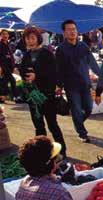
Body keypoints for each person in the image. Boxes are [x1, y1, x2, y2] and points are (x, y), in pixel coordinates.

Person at [20, 27, 67, 157]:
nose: (29, 41)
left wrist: (37, 76)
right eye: (27, 38)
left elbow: (53, 73)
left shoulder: (46, 53)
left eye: (32, 38)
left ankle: (62, 151)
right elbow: (23, 70)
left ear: (38, 39)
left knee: (52, 124)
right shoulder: (26, 55)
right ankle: (42, 152)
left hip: (47, 95)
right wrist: (24, 77)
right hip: (33, 97)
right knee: (38, 126)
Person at [56, 20, 100, 143]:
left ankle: (77, 122)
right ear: (64, 33)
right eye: (69, 29)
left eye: (74, 29)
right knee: (76, 109)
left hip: (85, 83)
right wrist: (59, 85)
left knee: (89, 108)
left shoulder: (83, 46)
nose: (72, 31)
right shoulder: (61, 49)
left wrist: (101, 75)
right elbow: (59, 69)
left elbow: (92, 62)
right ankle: (82, 133)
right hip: (71, 86)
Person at [0, 29, 20, 102]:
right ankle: (16, 97)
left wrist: (13, 66)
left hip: (9, 67)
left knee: (4, 82)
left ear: (8, 35)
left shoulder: (7, 44)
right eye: (3, 34)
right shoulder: (1, 45)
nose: (5, 35)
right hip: (4, 67)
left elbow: (10, 56)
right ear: (1, 36)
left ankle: (2, 97)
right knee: (13, 81)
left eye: (6, 34)